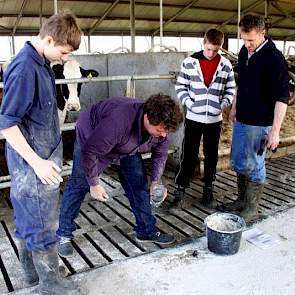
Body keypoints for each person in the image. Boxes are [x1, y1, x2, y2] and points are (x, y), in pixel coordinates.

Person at [0, 13, 83, 294]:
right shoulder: (24, 68)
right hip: (33, 164)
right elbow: (7, 125)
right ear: (49, 39)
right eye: (63, 52)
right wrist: (37, 163)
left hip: (42, 158)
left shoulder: (43, 62)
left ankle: (35, 276)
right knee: (42, 224)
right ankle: (50, 286)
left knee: (29, 220)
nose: (63, 58)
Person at [56, 94, 183, 257]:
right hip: (92, 137)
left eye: (166, 131)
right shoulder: (119, 121)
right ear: (147, 118)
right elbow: (90, 151)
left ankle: (146, 231)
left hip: (128, 145)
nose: (164, 135)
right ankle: (64, 234)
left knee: (138, 183)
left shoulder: (163, 126)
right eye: (160, 130)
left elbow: (160, 154)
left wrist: (156, 181)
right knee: (79, 183)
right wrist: (94, 184)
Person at [219, 14, 290, 221]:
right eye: (243, 38)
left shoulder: (274, 59)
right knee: (239, 161)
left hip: (260, 122)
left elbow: (282, 97)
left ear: (262, 33)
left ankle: (252, 208)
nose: (247, 44)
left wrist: (275, 131)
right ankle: (241, 200)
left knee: (255, 163)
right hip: (242, 118)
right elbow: (241, 82)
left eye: (251, 39)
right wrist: (234, 107)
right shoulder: (244, 52)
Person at [172, 28, 236, 209]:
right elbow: (181, 86)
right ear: (203, 43)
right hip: (193, 117)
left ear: (221, 48)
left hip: (214, 119)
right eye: (209, 49)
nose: (211, 53)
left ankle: (208, 190)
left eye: (216, 50)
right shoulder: (189, 62)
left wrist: (223, 104)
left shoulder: (225, 65)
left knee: (211, 155)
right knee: (188, 154)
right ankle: (180, 190)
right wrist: (190, 103)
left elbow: (231, 88)